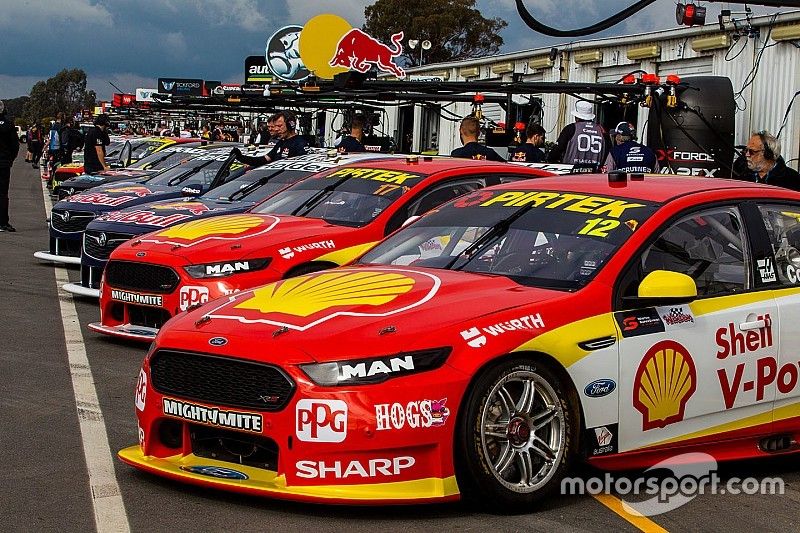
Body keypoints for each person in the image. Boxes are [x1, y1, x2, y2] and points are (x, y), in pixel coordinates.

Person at [547, 100, 608, 171]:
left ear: (577, 116)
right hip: (595, 175)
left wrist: (551, 160)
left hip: (572, 174)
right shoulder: (602, 130)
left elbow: (556, 151)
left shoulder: (570, 128)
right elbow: (608, 154)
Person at [232, 111, 310, 166]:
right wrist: (241, 157)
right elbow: (263, 160)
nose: (276, 129)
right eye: (275, 126)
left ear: (290, 125)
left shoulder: (300, 144)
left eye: (279, 126)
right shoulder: (281, 142)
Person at [0, 100, 20, 232]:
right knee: (2, 193)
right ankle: (2, 222)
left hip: (4, 161)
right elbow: (15, 145)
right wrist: (10, 159)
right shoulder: (8, 124)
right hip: (3, 163)